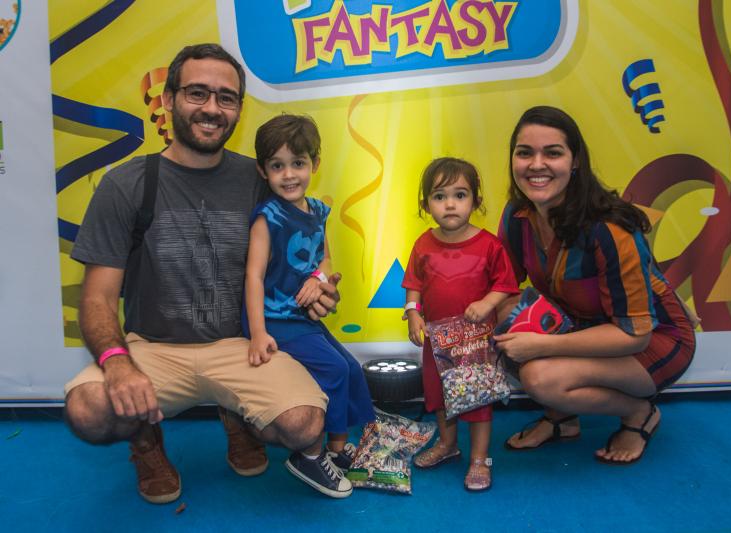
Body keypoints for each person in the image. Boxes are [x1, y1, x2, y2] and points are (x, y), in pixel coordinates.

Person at [62, 43, 341, 503]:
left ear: (238, 110)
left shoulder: (262, 181)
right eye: (197, 93)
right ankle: (146, 442)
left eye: (225, 98)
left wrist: (322, 287)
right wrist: (117, 364)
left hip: (241, 345)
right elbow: (97, 298)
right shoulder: (125, 184)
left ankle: (238, 416)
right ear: (168, 99)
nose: (212, 108)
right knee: (90, 410)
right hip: (153, 347)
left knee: (304, 423)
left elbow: (307, 254)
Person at [494, 106, 696, 464]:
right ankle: (562, 418)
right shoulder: (516, 215)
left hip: (653, 338)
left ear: (575, 162)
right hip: (584, 324)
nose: (536, 164)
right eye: (525, 153)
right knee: (505, 314)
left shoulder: (608, 229)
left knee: (540, 378)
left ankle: (638, 413)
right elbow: (505, 288)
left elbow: (636, 334)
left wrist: (541, 345)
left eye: (552, 153)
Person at [243, 113, 375, 498]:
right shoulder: (267, 218)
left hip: (301, 317)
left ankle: (337, 447)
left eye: (298, 163)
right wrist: (257, 333)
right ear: (263, 170)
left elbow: (326, 259)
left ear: (315, 164)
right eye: (277, 166)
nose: (289, 175)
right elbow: (253, 277)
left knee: (351, 367)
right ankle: (312, 456)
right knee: (334, 368)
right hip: (274, 318)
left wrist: (318, 279)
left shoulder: (318, 211)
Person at [402, 157, 519, 491]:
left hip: (475, 343)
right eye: (439, 196)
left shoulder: (489, 245)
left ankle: (480, 459)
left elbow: (505, 284)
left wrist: (487, 304)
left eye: (460, 195)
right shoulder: (423, 244)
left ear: (476, 201)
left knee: (478, 398)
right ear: (426, 204)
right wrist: (413, 313)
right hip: (437, 343)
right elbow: (414, 284)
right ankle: (447, 444)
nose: (450, 204)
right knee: (439, 395)